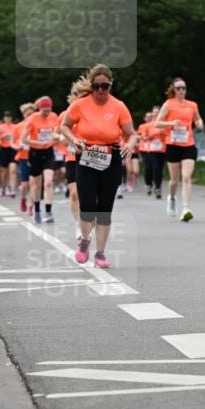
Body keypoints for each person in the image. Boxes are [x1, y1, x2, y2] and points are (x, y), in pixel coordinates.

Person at [60, 64, 136, 268]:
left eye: (105, 86)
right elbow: (65, 126)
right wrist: (73, 140)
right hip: (86, 156)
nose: (101, 91)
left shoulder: (119, 106)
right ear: (92, 85)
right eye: (97, 86)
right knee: (87, 206)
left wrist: (129, 145)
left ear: (111, 85)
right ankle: (85, 241)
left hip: (111, 158)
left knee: (105, 208)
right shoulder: (79, 105)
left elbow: (132, 133)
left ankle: (100, 253)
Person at [155, 78, 203, 221]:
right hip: (173, 145)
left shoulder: (192, 105)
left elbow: (198, 119)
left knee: (186, 177)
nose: (181, 90)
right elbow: (157, 123)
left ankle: (186, 208)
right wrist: (171, 123)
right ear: (174, 90)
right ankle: (171, 198)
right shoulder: (168, 104)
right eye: (178, 88)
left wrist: (200, 124)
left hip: (188, 144)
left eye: (184, 88)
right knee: (174, 180)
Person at [22, 97, 59, 223]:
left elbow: (57, 134)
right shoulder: (32, 118)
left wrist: (53, 140)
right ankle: (37, 209)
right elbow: (24, 139)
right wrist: (37, 142)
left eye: (49, 109)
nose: (47, 112)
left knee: (48, 182)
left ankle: (48, 212)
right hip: (35, 153)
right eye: (44, 110)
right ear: (39, 108)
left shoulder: (54, 117)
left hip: (48, 152)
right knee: (36, 184)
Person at [54, 87, 81, 239]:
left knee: (89, 194)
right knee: (75, 194)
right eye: (74, 95)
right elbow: (55, 133)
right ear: (70, 98)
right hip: (72, 157)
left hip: (91, 158)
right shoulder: (65, 115)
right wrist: (60, 139)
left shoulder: (89, 112)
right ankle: (79, 225)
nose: (76, 98)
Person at [13, 103, 36, 213]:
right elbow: (11, 143)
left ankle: (32, 206)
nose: (30, 116)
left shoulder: (37, 125)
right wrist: (17, 147)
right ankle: (23, 199)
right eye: (28, 114)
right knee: (24, 185)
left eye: (32, 114)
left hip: (35, 156)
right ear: (23, 115)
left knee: (33, 183)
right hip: (23, 157)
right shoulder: (18, 127)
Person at [0, 110, 18, 197]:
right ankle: (3, 188)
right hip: (3, 150)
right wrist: (2, 137)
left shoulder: (15, 127)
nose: (8, 118)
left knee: (13, 170)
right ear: (4, 118)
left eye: (9, 117)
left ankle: (11, 189)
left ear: (11, 118)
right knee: (4, 172)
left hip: (12, 149)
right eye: (6, 117)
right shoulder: (1, 127)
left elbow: (18, 138)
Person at [147, 106, 165, 199]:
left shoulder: (164, 123)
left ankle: (158, 187)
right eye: (155, 112)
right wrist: (151, 136)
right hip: (152, 149)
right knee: (155, 168)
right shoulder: (149, 125)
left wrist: (163, 134)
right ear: (152, 113)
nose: (156, 113)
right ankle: (156, 187)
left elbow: (169, 135)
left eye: (158, 112)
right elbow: (144, 138)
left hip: (162, 149)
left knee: (160, 170)